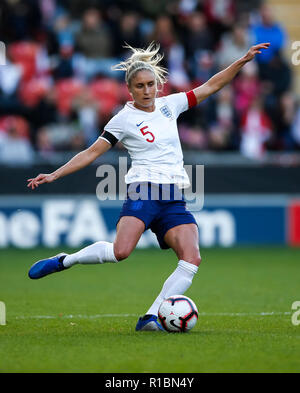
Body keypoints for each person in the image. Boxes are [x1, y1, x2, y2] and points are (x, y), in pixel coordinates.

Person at [27, 41, 270, 331]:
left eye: (150, 84)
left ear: (158, 85)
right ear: (130, 90)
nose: (146, 90)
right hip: (143, 190)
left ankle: (150, 317)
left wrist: (241, 61)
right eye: (139, 86)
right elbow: (91, 152)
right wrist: (55, 174)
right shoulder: (123, 120)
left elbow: (211, 86)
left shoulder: (171, 105)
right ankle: (66, 260)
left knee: (192, 258)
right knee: (121, 252)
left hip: (174, 195)